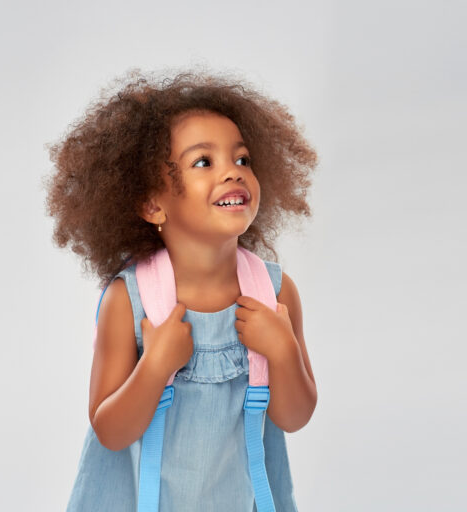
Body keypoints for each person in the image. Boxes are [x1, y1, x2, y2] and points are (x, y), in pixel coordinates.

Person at [44, 67, 318, 511]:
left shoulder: (275, 293)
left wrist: (283, 351)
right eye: (204, 162)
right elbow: (110, 432)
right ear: (153, 204)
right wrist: (155, 367)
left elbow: (294, 416)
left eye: (242, 159)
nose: (233, 173)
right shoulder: (130, 301)